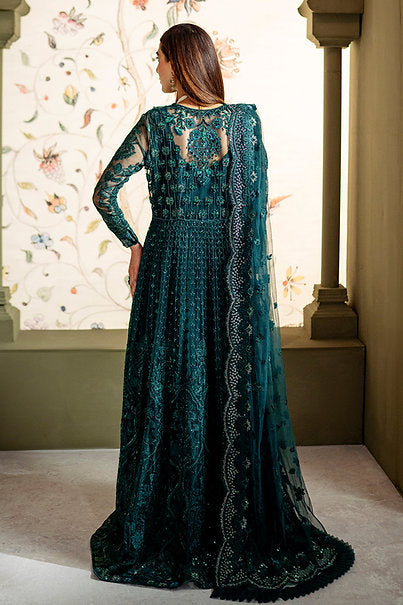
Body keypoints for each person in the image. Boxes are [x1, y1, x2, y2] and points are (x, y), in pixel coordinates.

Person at [89, 22, 355, 603]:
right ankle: (225, 524)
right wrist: (248, 287)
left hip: (167, 270)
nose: (156, 68)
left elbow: (104, 192)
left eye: (161, 58)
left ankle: (166, 525)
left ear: (181, 62)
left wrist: (135, 245)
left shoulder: (156, 126)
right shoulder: (245, 123)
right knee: (222, 384)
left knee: (169, 384)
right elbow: (253, 214)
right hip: (228, 276)